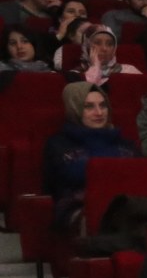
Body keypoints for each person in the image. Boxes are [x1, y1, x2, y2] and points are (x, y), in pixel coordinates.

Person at [42, 83, 139, 233]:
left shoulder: (125, 144)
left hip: (126, 205)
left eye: (103, 105)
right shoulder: (59, 144)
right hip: (78, 208)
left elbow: (142, 177)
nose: (99, 112)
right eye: (89, 107)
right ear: (75, 109)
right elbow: (63, 180)